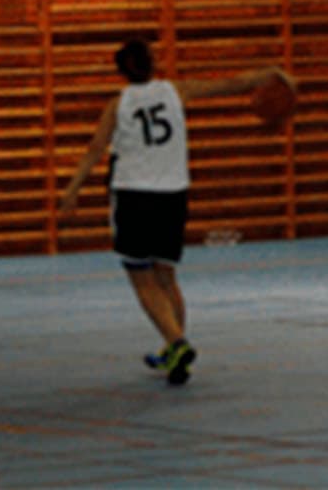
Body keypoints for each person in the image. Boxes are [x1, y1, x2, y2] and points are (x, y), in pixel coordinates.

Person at [58, 39, 291, 387]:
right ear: (153, 64)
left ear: (121, 71)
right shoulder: (175, 91)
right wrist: (272, 73)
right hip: (173, 195)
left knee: (142, 279)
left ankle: (179, 343)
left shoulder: (118, 104)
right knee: (166, 277)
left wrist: (72, 191)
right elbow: (231, 83)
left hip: (134, 194)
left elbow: (95, 150)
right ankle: (172, 349)